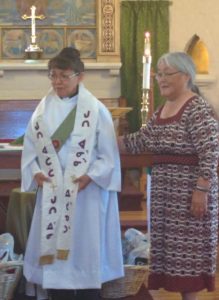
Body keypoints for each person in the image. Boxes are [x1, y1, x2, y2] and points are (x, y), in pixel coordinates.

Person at [21, 47, 124, 300]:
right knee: (54, 252)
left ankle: (88, 292)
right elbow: (30, 149)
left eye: (64, 76)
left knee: (85, 249)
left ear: (80, 76)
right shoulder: (41, 110)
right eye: (53, 75)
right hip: (53, 193)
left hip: (85, 196)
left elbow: (108, 155)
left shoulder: (96, 110)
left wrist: (91, 176)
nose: (57, 82)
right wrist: (35, 172)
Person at [118, 52, 219, 300]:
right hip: (166, 196)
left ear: (185, 76)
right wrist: (99, 140)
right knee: (173, 256)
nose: (160, 79)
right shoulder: (163, 108)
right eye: (158, 74)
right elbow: (141, 141)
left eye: (166, 74)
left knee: (189, 255)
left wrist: (201, 190)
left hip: (190, 195)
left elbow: (211, 150)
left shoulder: (197, 108)